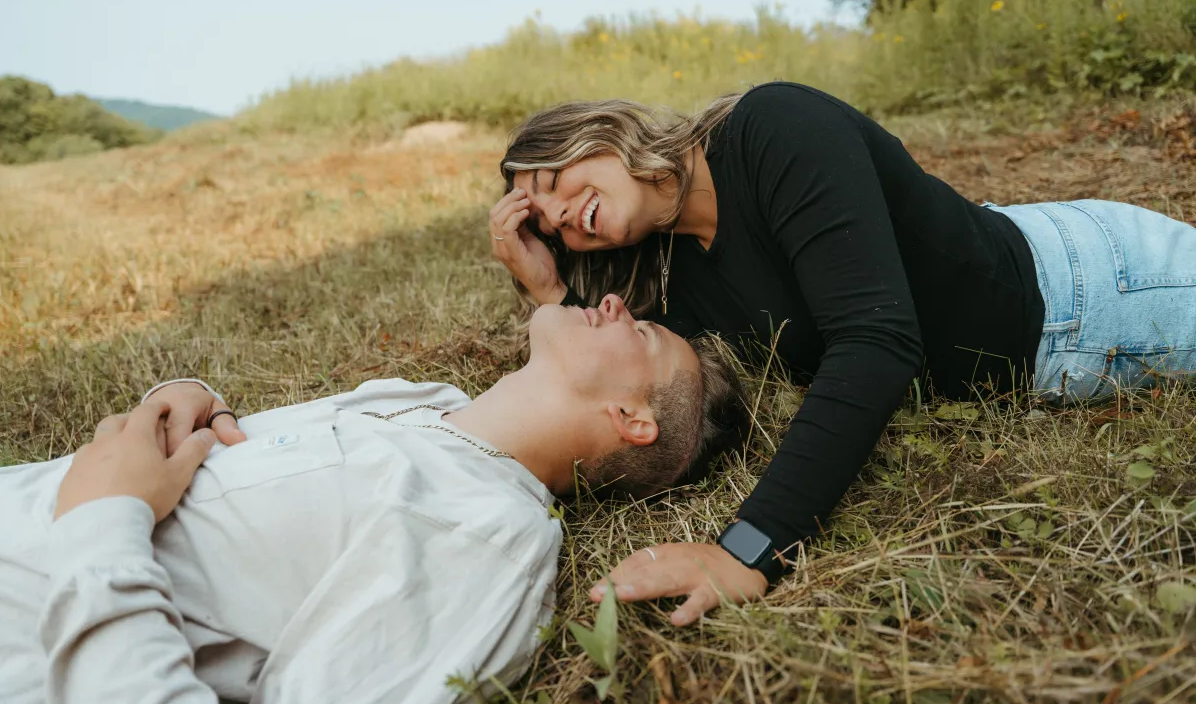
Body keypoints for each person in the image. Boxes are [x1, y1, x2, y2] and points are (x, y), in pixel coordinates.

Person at [488, 80, 1196, 626]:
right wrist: (547, 288)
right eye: (550, 226)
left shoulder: (773, 128)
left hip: (1090, 293)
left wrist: (749, 549)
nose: (555, 215)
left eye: (550, 183)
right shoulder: (680, 272)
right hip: (1017, 248)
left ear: (602, 133)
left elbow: (877, 343)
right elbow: (601, 367)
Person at [0, 296, 747, 704]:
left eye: (641, 333)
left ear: (632, 416)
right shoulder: (421, 404)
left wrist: (102, 524)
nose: (615, 302)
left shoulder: (487, 540)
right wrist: (178, 408)